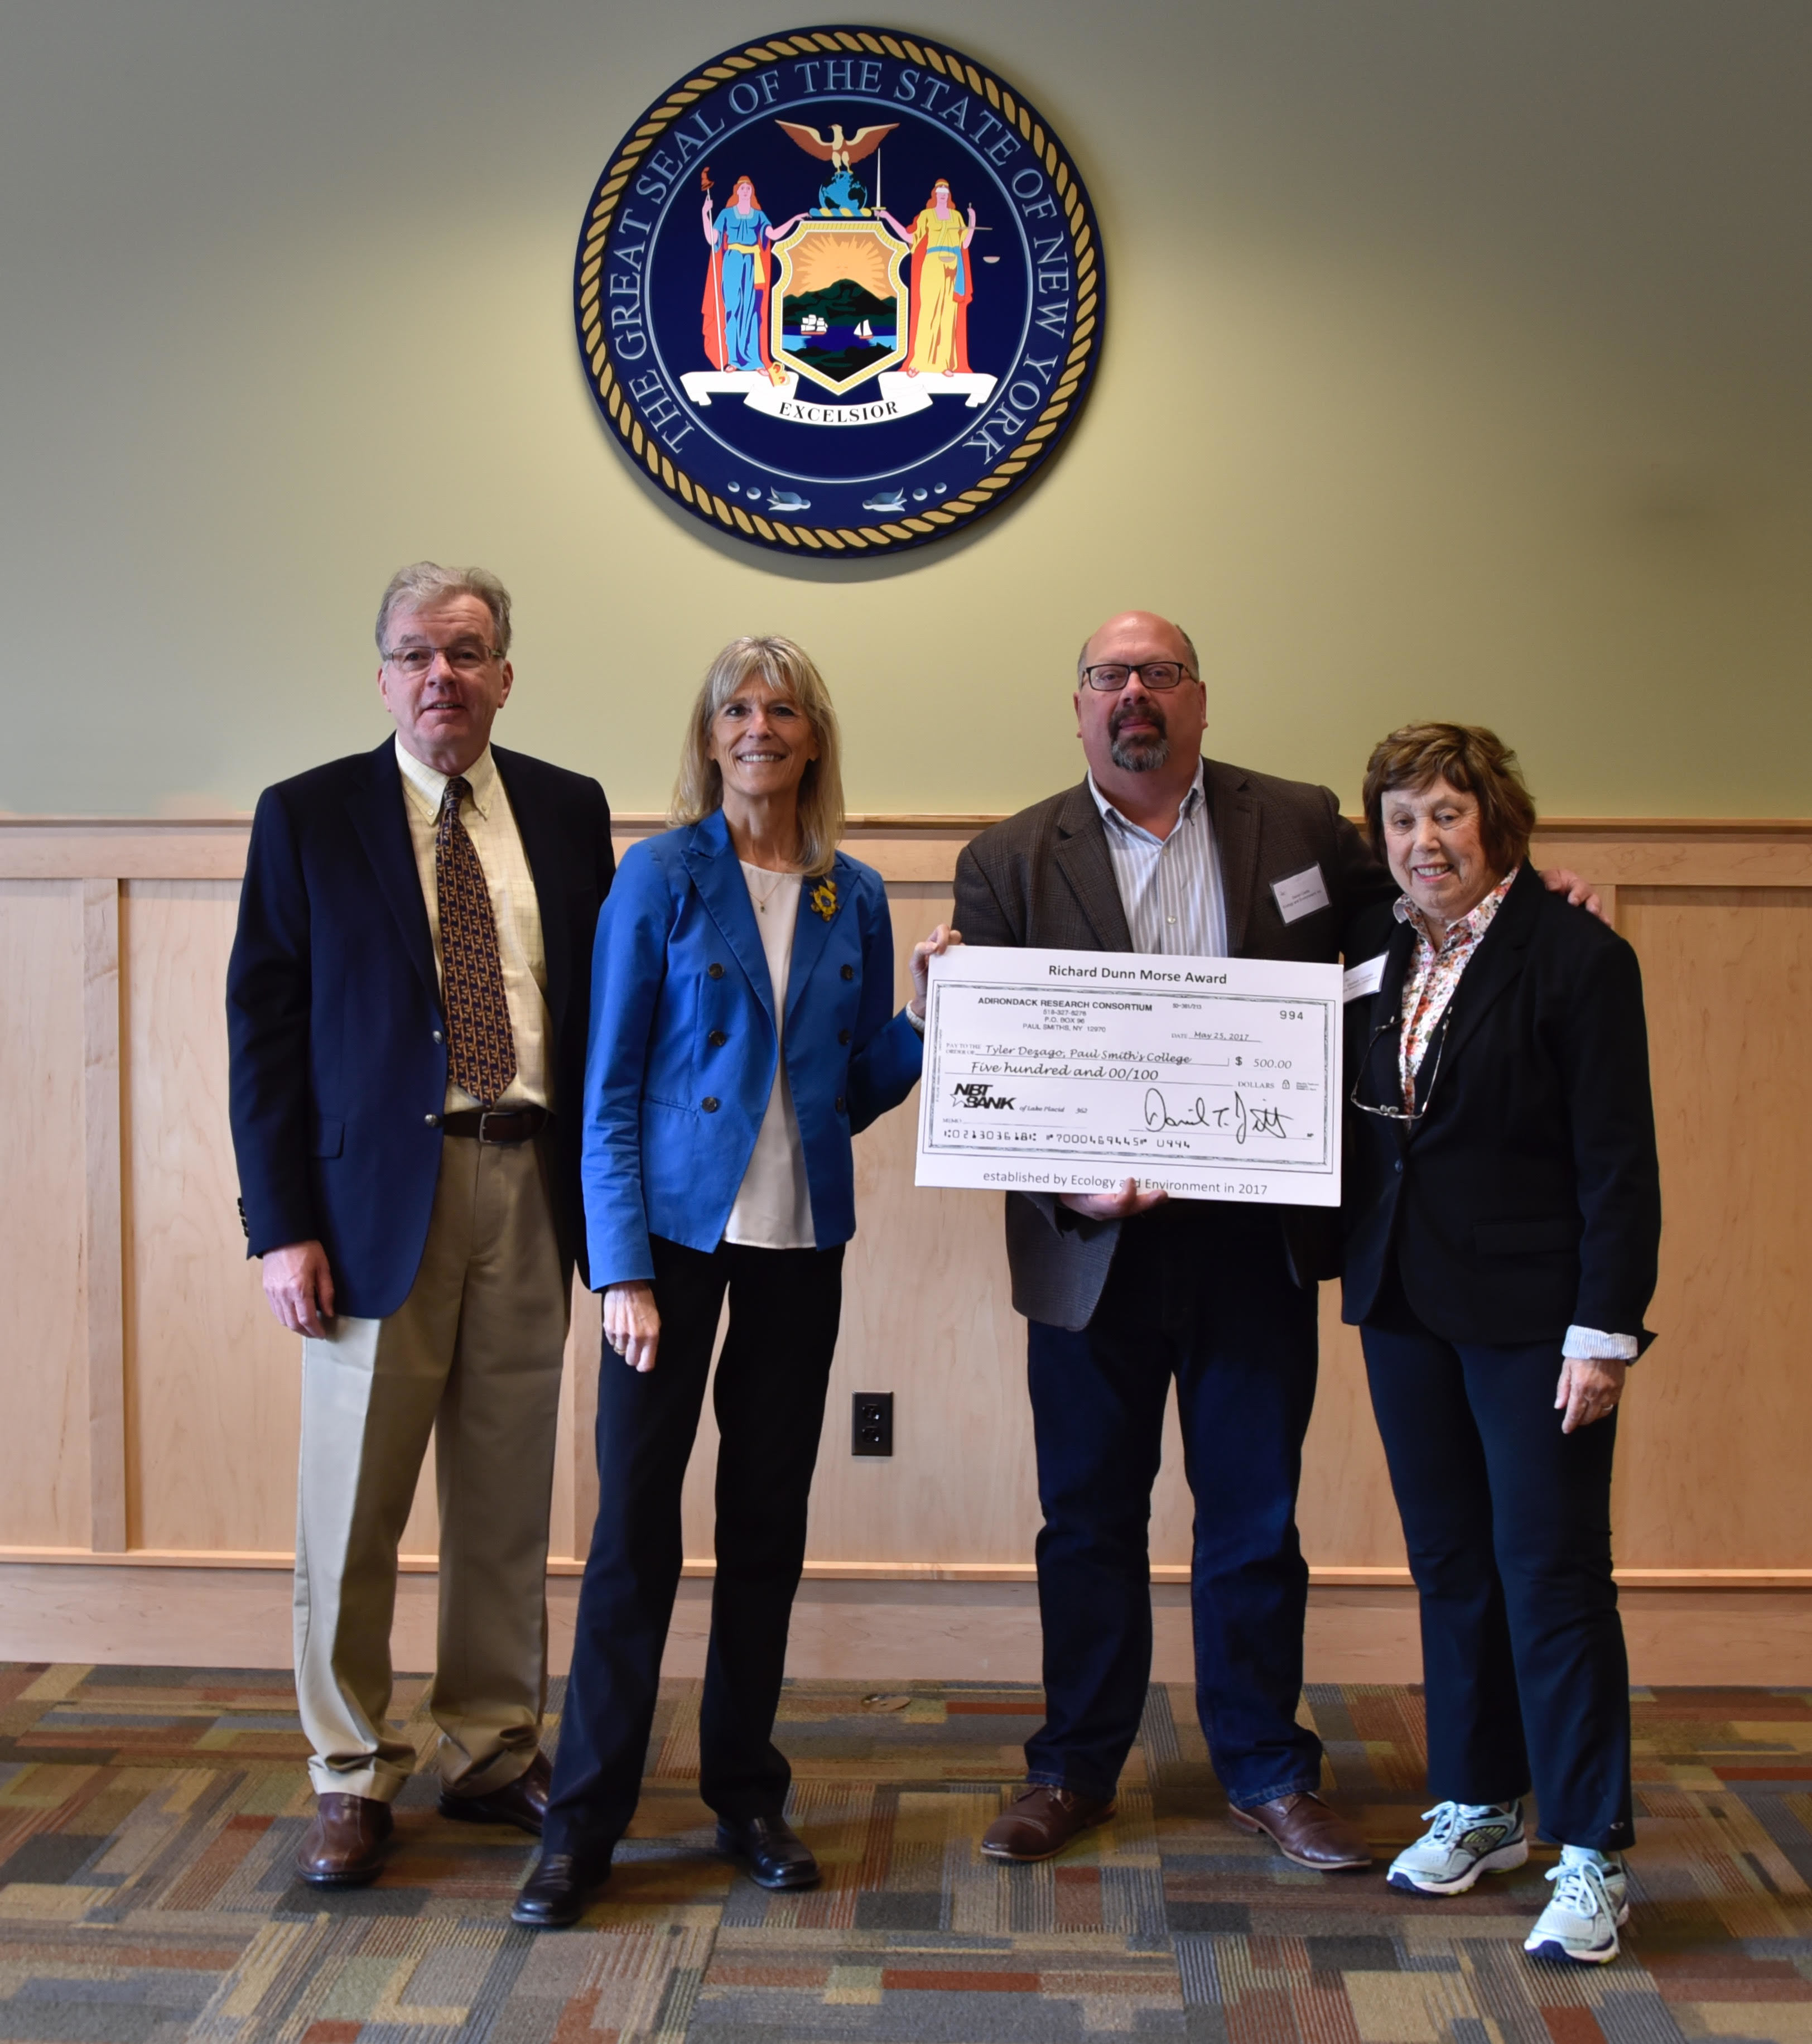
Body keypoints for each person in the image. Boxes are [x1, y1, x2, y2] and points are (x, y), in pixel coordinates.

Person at [951, 614, 1605, 1875]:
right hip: (1086, 1254)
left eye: (1159, 674)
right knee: (1085, 1518)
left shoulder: (1302, 825)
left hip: (1254, 1243)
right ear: (1078, 705)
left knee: (1253, 1517)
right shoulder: (1008, 858)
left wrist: (1535, 906)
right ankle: (1072, 1765)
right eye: (1109, 677)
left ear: (1200, 700)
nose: (1134, 695)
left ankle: (1265, 1767)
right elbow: (996, 1067)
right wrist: (1058, 1165)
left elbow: (1426, 918)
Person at [513, 636, 957, 1928]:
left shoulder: (851, 894)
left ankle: (745, 1792)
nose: (760, 727)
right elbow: (606, 1092)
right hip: (669, 1249)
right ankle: (583, 1821)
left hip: (800, 1247)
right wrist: (620, 1272)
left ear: (813, 738)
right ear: (710, 738)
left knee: (766, 1525)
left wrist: (923, 1020)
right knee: (633, 1537)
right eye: (737, 710)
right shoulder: (659, 875)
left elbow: (849, 1090)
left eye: (783, 709)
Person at [226, 563, 615, 1887]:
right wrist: (280, 1224)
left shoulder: (567, 809)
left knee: (505, 1500)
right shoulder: (308, 814)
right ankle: (350, 1767)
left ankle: (494, 1748)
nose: (440, 674)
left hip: (529, 1185)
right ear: (383, 676)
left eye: (465, 650)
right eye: (415, 653)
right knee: (352, 1508)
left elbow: (602, 1009)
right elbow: (263, 1032)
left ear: (505, 673)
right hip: (365, 1211)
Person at [1341, 725, 1659, 1965]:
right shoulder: (1368, 947)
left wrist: (1603, 1333)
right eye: (1401, 818)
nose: (1423, 841)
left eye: (1446, 814)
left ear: (1496, 822)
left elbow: (1617, 1165)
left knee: (1551, 1573)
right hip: (1404, 1302)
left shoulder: (1577, 956)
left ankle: (1592, 1853)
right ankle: (1480, 1804)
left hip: (1538, 1321)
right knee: (1450, 1564)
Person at [701, 176, 800, 373]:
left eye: (749, 188)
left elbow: (773, 235)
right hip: (732, 263)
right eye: (743, 188)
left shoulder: (759, 216)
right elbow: (712, 239)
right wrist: (705, 213)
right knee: (732, 310)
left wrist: (794, 220)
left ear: (752, 192)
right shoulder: (726, 214)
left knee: (754, 312)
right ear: (737, 191)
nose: (746, 191)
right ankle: (733, 360)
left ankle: (755, 361)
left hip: (753, 265)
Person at [881, 180, 976, 374]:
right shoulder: (927, 216)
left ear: (949, 195)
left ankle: (945, 365)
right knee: (928, 312)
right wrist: (887, 217)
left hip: (953, 265)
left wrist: (972, 220)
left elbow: (965, 243)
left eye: (946, 191)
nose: (943, 194)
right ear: (935, 194)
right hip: (933, 264)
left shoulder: (957, 217)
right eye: (940, 191)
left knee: (949, 315)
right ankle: (919, 363)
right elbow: (909, 237)